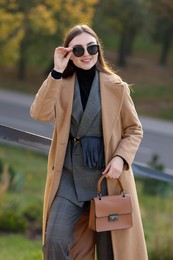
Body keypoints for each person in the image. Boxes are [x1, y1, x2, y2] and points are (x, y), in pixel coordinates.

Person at [30, 24, 148, 260]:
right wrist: (56, 71)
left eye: (91, 47)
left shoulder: (117, 87)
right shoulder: (60, 84)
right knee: (54, 240)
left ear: (98, 50)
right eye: (78, 50)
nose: (86, 54)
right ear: (68, 53)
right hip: (68, 178)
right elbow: (39, 113)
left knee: (110, 252)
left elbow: (134, 129)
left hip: (106, 181)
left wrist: (120, 158)